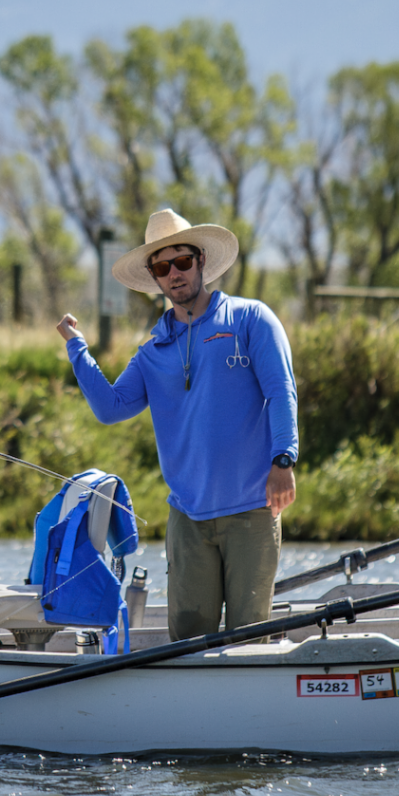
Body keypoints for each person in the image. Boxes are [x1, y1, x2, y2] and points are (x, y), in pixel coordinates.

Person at [56, 209, 298, 641]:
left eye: (182, 262)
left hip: (251, 510)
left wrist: (284, 458)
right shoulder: (151, 351)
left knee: (250, 638)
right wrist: (77, 348)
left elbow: (281, 392)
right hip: (187, 519)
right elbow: (110, 408)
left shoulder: (250, 319)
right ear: (154, 277)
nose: (174, 274)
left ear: (201, 260)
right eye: (162, 267)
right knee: (187, 640)